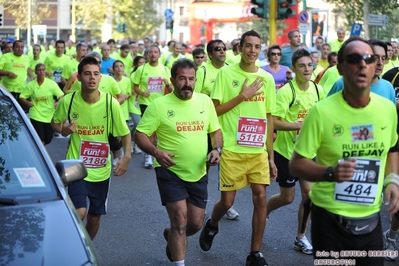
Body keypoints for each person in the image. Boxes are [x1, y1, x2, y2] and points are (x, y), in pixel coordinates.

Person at [289, 36, 399, 266]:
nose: (362, 64)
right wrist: (331, 172)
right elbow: (297, 164)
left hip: (371, 220)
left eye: (368, 58)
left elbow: (391, 148)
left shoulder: (387, 109)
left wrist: (393, 180)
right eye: (353, 58)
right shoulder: (321, 112)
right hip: (330, 222)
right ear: (339, 67)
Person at [199, 30, 277, 265]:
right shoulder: (226, 73)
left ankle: (255, 253)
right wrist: (243, 96)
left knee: (261, 198)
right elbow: (214, 111)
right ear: (240, 48)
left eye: (257, 46)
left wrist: (271, 156)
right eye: (248, 46)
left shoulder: (267, 79)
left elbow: (269, 118)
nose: (252, 51)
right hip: (232, 149)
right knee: (227, 203)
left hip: (257, 151)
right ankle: (212, 224)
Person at [134, 58, 222, 266]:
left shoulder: (204, 102)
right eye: (182, 78)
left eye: (191, 79)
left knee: (195, 224)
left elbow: (215, 130)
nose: (187, 83)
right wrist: (156, 152)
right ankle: (179, 262)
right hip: (169, 171)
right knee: (180, 222)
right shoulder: (159, 105)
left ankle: (172, 235)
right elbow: (140, 135)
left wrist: (216, 150)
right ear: (172, 80)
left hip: (199, 171)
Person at [51, 56, 131, 240]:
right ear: (79, 77)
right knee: (79, 212)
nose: (92, 78)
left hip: (101, 170)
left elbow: (126, 134)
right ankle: (70, 244)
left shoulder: (111, 104)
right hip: (75, 166)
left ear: (101, 78)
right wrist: (63, 131)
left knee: (94, 218)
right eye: (87, 74)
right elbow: (55, 123)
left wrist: (126, 157)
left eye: (96, 74)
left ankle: (85, 247)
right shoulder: (68, 101)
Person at [268, 49, 324, 256]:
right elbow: (272, 122)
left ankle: (300, 237)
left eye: (309, 65)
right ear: (294, 69)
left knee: (309, 195)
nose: (306, 69)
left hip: (308, 152)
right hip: (287, 152)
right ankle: (264, 211)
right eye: (302, 65)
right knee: (287, 198)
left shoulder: (319, 91)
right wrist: (297, 125)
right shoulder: (286, 92)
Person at [194, 39, 240, 220]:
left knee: (228, 165)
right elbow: (195, 98)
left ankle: (225, 204)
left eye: (224, 48)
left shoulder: (231, 69)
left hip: (228, 125)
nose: (222, 51)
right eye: (217, 49)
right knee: (205, 167)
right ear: (210, 54)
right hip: (208, 126)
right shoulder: (203, 71)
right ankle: (200, 202)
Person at [132, 44, 171, 168]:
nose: (153, 54)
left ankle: (155, 151)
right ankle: (149, 156)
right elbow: (135, 87)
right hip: (146, 103)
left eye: (155, 52)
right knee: (150, 129)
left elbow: (171, 89)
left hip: (161, 103)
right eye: (150, 52)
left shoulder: (165, 69)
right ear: (147, 55)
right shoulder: (141, 69)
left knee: (159, 129)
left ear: (159, 55)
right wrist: (142, 93)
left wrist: (167, 84)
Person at [19, 63, 64, 145]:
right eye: (39, 70)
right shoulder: (31, 85)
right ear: (35, 72)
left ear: (45, 71)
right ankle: (39, 156)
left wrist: (58, 102)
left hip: (49, 115)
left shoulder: (51, 84)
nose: (41, 72)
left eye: (43, 70)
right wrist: (27, 102)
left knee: (48, 139)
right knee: (40, 137)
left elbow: (61, 95)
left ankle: (40, 151)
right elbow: (22, 97)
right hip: (36, 114)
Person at [0, 40, 30, 112]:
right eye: (17, 47)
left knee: (22, 113)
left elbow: (28, 69)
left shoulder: (26, 58)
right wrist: (7, 73)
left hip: (22, 90)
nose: (20, 49)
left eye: (22, 47)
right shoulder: (5, 57)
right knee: (7, 113)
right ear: (13, 48)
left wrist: (32, 76)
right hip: (8, 91)